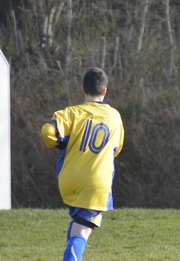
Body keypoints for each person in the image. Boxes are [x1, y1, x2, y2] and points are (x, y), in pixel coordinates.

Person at [41, 67, 125, 261]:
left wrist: (59, 142)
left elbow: (47, 131)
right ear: (105, 91)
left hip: (68, 180)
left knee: (78, 225)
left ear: (83, 88)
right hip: (95, 184)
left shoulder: (72, 113)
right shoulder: (114, 116)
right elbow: (116, 149)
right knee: (82, 232)